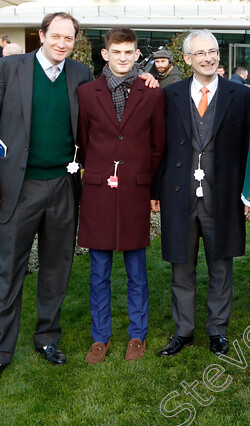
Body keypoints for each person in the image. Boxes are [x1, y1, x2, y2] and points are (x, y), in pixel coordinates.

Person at [0, 13, 95, 388]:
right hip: (16, 189)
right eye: (55, 36)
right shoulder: (8, 69)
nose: (61, 43)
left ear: (75, 41)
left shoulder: (80, 74)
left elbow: (106, 104)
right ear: (41, 35)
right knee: (10, 273)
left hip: (62, 187)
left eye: (68, 38)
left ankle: (46, 339)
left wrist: (147, 78)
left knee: (57, 270)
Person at [154, 30, 250, 359]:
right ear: (187, 60)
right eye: (200, 53)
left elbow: (247, 150)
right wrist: (156, 191)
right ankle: (183, 330)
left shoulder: (238, 95)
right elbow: (159, 147)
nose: (209, 58)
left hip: (222, 196)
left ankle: (218, 330)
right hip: (179, 196)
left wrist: (248, 195)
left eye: (213, 51)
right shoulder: (171, 95)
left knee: (221, 266)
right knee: (181, 267)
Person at [76, 27, 166, 365]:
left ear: (136, 54)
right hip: (99, 189)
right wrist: (100, 169)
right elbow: (83, 141)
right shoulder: (87, 93)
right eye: (117, 52)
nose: (123, 58)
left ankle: (136, 335)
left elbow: (158, 144)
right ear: (106, 54)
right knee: (98, 271)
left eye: (129, 52)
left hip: (136, 189)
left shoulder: (151, 92)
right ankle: (100, 338)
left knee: (136, 270)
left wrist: (147, 182)